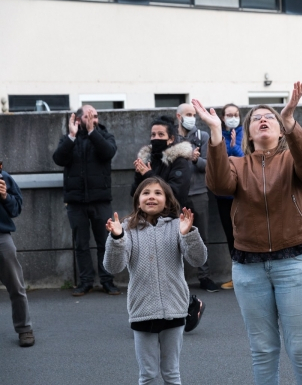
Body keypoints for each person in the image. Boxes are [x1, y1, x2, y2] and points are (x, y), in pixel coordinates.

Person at [194, 81, 302, 385]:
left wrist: (290, 119)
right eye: (256, 118)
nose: (263, 120)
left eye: (270, 118)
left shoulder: (294, 159)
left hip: (297, 262)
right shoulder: (237, 164)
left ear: (280, 131)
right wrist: (215, 134)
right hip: (249, 268)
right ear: (248, 133)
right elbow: (219, 185)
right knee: (263, 350)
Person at [104, 177, 207, 384]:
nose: (151, 196)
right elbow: (113, 267)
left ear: (168, 201)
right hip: (142, 310)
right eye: (146, 192)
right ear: (137, 200)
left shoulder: (178, 225)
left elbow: (198, 259)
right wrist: (117, 238)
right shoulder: (126, 228)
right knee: (148, 375)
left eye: (158, 193)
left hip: (175, 309)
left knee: (171, 373)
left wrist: (189, 235)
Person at [52, 105, 120, 297]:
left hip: (101, 200)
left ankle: (107, 281)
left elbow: (108, 152)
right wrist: (71, 137)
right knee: (81, 244)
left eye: (96, 116)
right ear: (78, 119)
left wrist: (92, 132)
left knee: (105, 243)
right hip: (76, 202)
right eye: (90, 116)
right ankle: (85, 281)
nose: (94, 119)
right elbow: (58, 158)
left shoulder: (104, 136)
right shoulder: (69, 139)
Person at [175, 103, 217, 292]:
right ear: (179, 116)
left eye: (193, 114)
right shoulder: (170, 138)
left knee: (203, 236)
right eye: (188, 114)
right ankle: (176, 277)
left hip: (199, 193)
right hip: (176, 195)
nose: (192, 117)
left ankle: (205, 276)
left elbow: (210, 166)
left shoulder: (203, 137)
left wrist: (195, 159)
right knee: (174, 237)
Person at [0, 164, 34, 347]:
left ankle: (24, 328)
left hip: (2, 236)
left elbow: (16, 209)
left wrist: (5, 196)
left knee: (16, 285)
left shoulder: (4, 177)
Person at [132, 116, 192, 211]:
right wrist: (139, 175)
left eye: (161, 135)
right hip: (146, 216)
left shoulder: (179, 161)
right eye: (153, 135)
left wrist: (149, 175)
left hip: (169, 216)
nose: (156, 138)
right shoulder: (148, 160)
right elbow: (134, 193)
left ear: (171, 139)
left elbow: (175, 193)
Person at [214, 103, 244, 290]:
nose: (232, 117)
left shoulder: (246, 133)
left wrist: (234, 147)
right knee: (230, 236)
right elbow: (217, 160)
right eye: (229, 114)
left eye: (236, 114)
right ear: (222, 118)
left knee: (245, 235)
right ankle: (237, 276)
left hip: (243, 194)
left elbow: (245, 160)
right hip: (224, 194)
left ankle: (248, 274)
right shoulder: (217, 135)